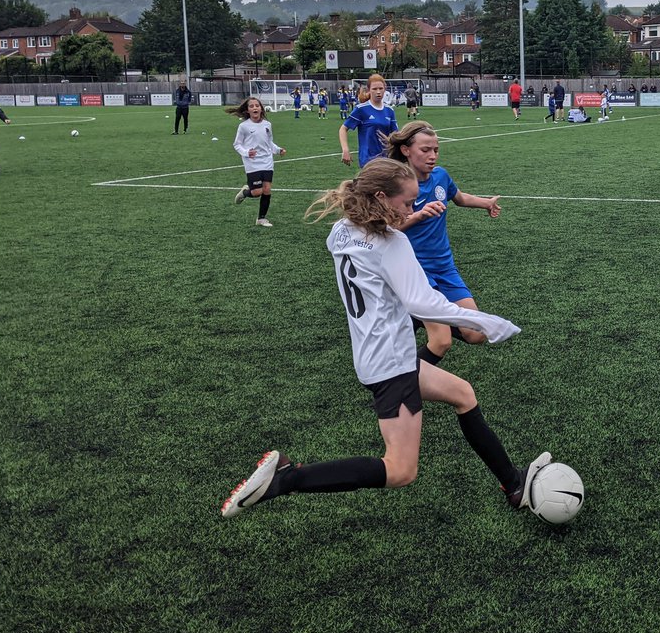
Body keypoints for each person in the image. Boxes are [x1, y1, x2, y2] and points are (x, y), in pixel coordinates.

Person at [221, 157, 551, 519]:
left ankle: (513, 484)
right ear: (381, 197)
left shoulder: (341, 230)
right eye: (407, 202)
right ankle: (287, 477)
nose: (412, 210)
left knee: (463, 394)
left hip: (374, 353)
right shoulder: (391, 242)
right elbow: (421, 303)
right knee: (400, 469)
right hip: (392, 362)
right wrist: (488, 322)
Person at [386, 121, 503, 365]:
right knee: (441, 341)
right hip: (415, 272)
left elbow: (458, 198)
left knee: (477, 333)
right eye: (425, 150)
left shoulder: (440, 175)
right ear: (406, 150)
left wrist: (486, 203)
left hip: (444, 268)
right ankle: (399, 383)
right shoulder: (396, 186)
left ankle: (416, 316)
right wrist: (418, 216)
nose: (432, 156)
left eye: (436, 150)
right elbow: (385, 230)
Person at [229, 97, 286, 227]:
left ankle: (261, 219)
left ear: (261, 108)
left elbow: (269, 142)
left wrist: (278, 150)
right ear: (247, 110)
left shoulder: (267, 124)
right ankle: (245, 192)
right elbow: (237, 144)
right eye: (251, 106)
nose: (255, 108)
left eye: (257, 105)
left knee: (267, 189)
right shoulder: (243, 126)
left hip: (267, 161)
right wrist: (246, 152)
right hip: (252, 162)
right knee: (256, 192)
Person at [340, 73, 399, 167]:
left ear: (385, 89)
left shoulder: (389, 110)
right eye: (374, 89)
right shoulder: (361, 109)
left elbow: (396, 135)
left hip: (387, 160)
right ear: (369, 90)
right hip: (368, 160)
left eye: (381, 88)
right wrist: (345, 150)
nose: (378, 92)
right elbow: (343, 129)